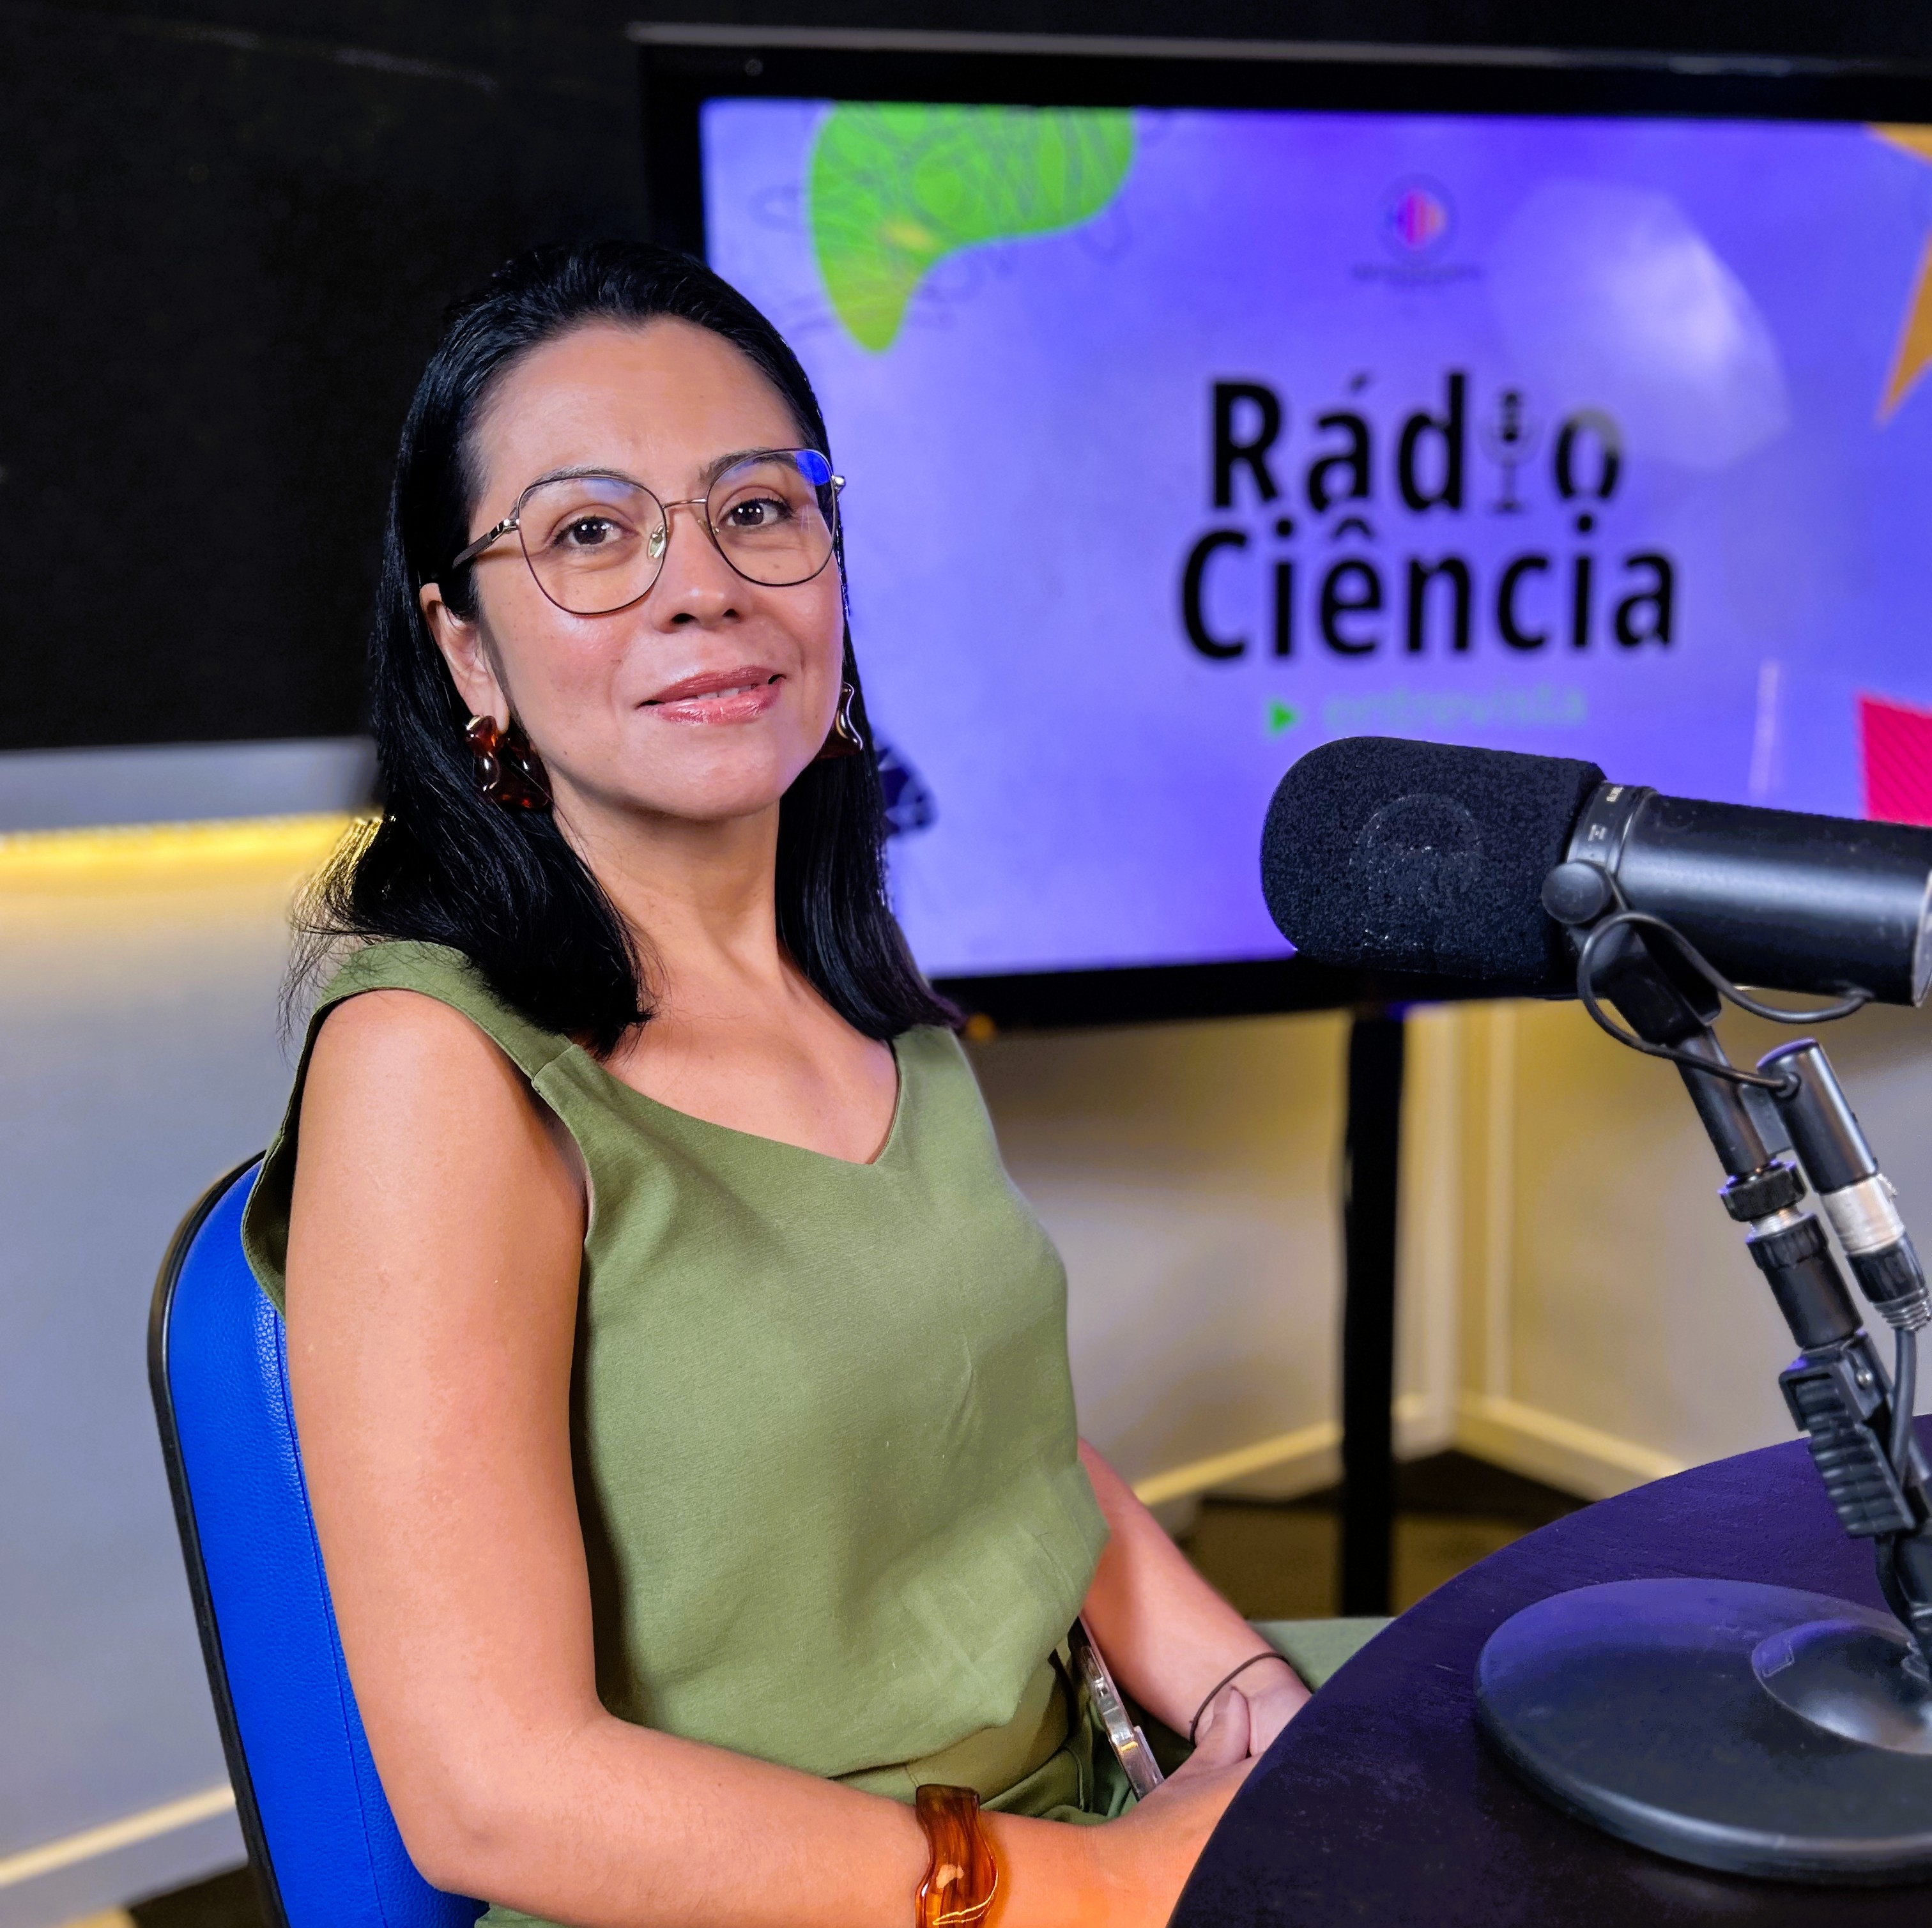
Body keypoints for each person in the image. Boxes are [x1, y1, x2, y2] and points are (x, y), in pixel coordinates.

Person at [244, 241, 1315, 1928]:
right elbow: (492, 1796)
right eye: (591, 532)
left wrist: (1244, 1687)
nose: (703, 584)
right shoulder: (430, 1069)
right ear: (468, 656)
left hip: (1068, 1818)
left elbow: (997, 1443)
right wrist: (1097, 1892)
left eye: (759, 508)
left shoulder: (858, 976)